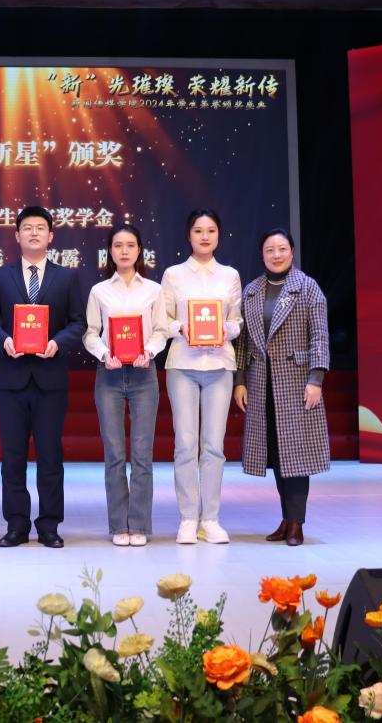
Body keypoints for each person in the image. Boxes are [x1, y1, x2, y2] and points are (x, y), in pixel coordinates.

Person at [0, 205, 86, 548]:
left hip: (50, 379)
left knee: (51, 456)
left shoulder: (67, 277)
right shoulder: (0, 277)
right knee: (12, 457)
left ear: (51, 236)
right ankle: (16, 525)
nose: (34, 233)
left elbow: (78, 323)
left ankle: (50, 525)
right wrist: (4, 341)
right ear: (17, 235)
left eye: (41, 227)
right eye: (27, 227)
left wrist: (58, 343)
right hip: (11, 380)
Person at [233, 229, 330, 547]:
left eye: (282, 249)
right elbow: (243, 343)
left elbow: (320, 336)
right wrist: (239, 381)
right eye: (270, 249)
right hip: (262, 382)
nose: (276, 255)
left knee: (296, 454)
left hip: (297, 382)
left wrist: (316, 379)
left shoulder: (307, 287)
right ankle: (287, 518)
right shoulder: (251, 291)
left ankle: (297, 523)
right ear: (262, 254)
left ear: (292, 251)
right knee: (275, 453)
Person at [157, 208, 243, 545]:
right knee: (185, 444)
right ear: (188, 235)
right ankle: (188, 518)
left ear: (218, 235)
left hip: (219, 365)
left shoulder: (230, 275)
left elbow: (237, 321)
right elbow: (162, 319)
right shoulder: (174, 275)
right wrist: (182, 327)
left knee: (214, 446)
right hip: (182, 365)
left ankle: (211, 519)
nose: (204, 236)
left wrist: (225, 330)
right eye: (198, 231)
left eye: (210, 231)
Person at [83, 223, 168, 547]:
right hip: (110, 375)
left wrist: (150, 351)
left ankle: (140, 525)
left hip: (144, 375)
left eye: (130, 245)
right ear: (110, 251)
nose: (124, 251)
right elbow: (90, 333)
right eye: (118, 245)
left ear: (139, 250)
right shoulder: (99, 291)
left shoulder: (154, 290)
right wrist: (105, 354)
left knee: (143, 454)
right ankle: (119, 525)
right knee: (115, 454)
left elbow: (161, 330)